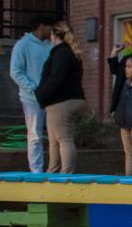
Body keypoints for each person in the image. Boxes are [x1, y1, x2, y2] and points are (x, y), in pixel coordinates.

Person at [34, 21, 86, 174]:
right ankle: (53, 172)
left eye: (51, 34)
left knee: (64, 139)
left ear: (55, 35)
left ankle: (66, 175)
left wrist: (42, 95)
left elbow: (56, 78)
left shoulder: (61, 53)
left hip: (62, 102)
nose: (49, 37)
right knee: (54, 141)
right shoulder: (67, 52)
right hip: (62, 101)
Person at [9, 15, 53, 172]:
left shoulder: (51, 45)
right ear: (42, 26)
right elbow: (15, 72)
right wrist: (33, 88)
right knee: (35, 135)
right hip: (31, 98)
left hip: (51, 97)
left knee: (55, 136)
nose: (52, 31)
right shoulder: (22, 45)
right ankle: (36, 172)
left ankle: (54, 169)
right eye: (50, 27)